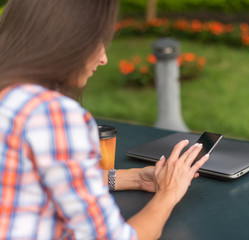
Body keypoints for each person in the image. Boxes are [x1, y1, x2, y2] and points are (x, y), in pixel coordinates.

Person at [0, 0, 209, 239]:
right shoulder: (50, 113)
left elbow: (40, 179)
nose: (103, 58)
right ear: (64, 40)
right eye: (96, 41)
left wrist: (135, 178)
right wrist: (169, 193)